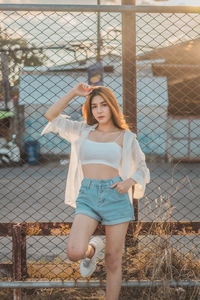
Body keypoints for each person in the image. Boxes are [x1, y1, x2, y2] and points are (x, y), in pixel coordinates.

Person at [41, 82, 150, 300]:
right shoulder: (82, 131)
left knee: (113, 259)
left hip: (116, 196)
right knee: (74, 252)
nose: (98, 111)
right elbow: (51, 115)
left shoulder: (126, 137)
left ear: (112, 107)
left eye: (103, 105)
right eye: (94, 107)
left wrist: (129, 182)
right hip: (88, 195)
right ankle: (93, 248)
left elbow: (142, 168)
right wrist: (73, 92)